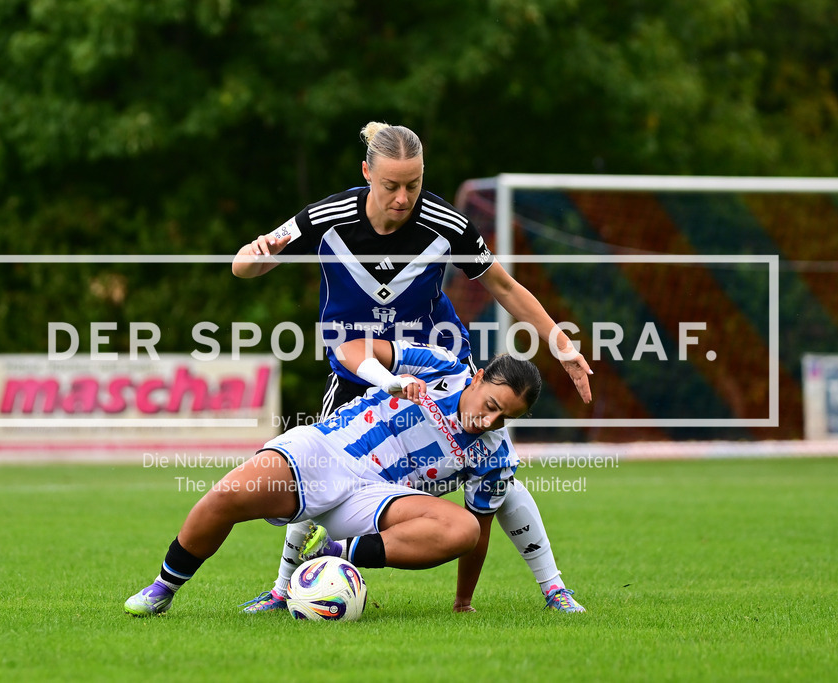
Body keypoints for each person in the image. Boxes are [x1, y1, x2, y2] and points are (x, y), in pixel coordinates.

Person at [231, 122, 592, 613]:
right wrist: (253, 257)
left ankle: (554, 589)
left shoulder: (448, 225)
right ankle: (283, 589)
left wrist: (559, 341)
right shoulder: (327, 216)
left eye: (414, 184)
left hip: (438, 367)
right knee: (319, 468)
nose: (403, 197)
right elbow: (246, 267)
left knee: (498, 471)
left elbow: (505, 288)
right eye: (391, 185)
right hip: (359, 365)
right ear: (367, 173)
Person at [125, 338, 563, 616]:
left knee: (462, 527)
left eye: (505, 418)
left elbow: (480, 532)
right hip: (327, 450)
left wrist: (463, 601)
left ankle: (333, 552)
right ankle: (164, 588)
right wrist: (387, 380)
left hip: (376, 498)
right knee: (229, 496)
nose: (490, 421)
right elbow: (351, 349)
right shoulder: (444, 366)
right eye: (490, 405)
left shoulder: (494, 455)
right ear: (479, 377)